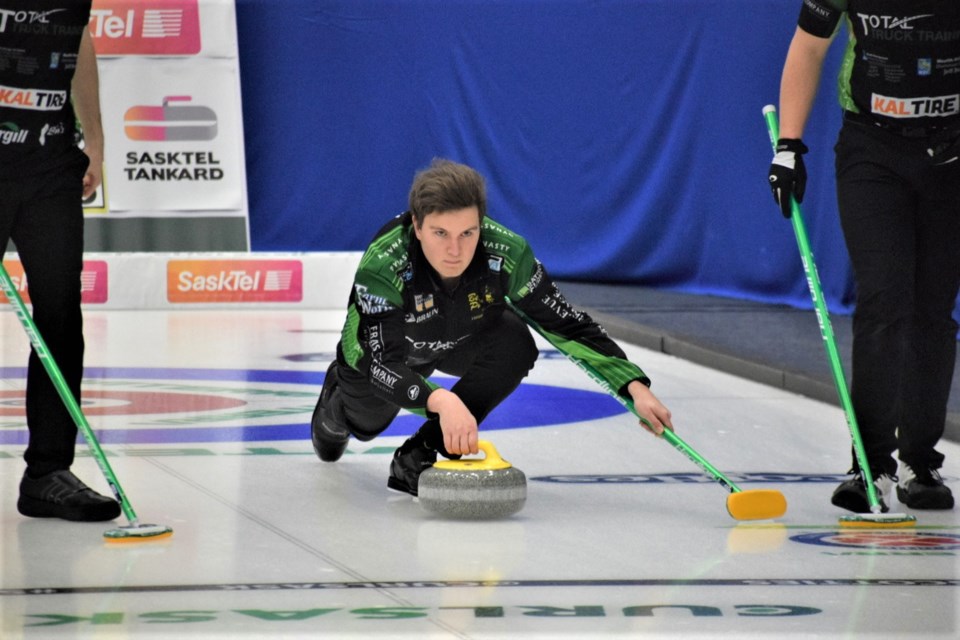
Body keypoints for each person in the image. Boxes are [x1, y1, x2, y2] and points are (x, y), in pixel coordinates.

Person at [311, 159, 673, 495]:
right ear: (417, 226)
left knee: (515, 341)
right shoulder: (384, 265)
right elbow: (382, 364)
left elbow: (568, 325)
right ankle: (335, 403)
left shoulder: (506, 252)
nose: (455, 250)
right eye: (441, 233)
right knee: (365, 427)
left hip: (457, 338)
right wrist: (441, 399)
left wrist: (633, 386)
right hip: (379, 360)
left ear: (481, 224)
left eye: (468, 233)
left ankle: (419, 453)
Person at [769, 1, 960, 513]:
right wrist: (788, 146)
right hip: (873, 151)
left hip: (950, 154)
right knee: (884, 299)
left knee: (933, 309)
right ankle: (869, 463)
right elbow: (808, 48)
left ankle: (920, 463)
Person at [1, 3, 119, 522]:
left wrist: (94, 141)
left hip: (51, 163)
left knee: (60, 320)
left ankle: (47, 472)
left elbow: (78, 43)